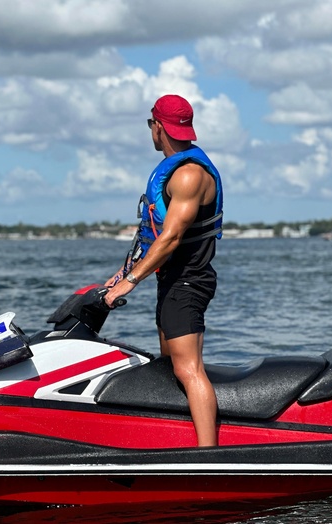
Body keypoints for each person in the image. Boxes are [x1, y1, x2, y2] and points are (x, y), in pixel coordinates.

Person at [103, 94, 223, 447]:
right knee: (171, 366)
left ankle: (209, 459)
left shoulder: (188, 175)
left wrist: (130, 282)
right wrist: (120, 274)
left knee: (188, 369)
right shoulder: (174, 170)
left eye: (150, 125)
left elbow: (170, 239)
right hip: (172, 281)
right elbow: (151, 235)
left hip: (188, 281)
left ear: (157, 126)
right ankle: (178, 441)